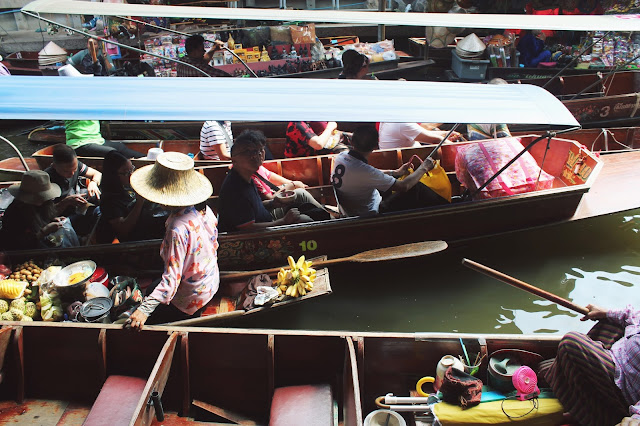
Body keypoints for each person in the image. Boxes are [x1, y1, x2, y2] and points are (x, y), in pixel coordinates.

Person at [127, 152, 219, 328]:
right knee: (152, 287)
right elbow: (214, 243)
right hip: (209, 281)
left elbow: (172, 279)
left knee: (149, 312)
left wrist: (144, 310)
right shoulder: (204, 208)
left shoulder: (177, 228)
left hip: (193, 297)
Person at [541, 304, 640, 426]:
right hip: (618, 353)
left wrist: (636, 418)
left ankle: (589, 413)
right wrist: (605, 312)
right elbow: (633, 317)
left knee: (570, 343)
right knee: (611, 322)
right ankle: (560, 374)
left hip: (621, 385)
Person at [331, 125, 445, 217]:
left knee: (399, 181)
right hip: (371, 212)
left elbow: (370, 175)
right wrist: (424, 167)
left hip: (353, 206)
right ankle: (444, 211)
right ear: (375, 147)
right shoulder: (364, 171)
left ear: (352, 142)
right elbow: (403, 186)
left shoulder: (341, 157)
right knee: (416, 188)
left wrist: (395, 172)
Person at [217, 130, 313, 232]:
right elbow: (247, 228)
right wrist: (283, 221)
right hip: (252, 239)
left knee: (307, 208)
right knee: (304, 220)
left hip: (265, 219)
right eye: (249, 151)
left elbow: (253, 207)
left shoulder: (246, 176)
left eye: (260, 150)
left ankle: (328, 216)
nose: (257, 155)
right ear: (234, 159)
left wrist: (272, 203)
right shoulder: (236, 189)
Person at [96, 151, 167, 243]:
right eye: (126, 173)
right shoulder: (109, 200)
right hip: (136, 237)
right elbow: (123, 230)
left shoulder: (129, 184)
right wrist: (139, 202)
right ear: (113, 175)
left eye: (132, 169)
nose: (131, 175)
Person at [0, 171, 79, 250]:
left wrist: (52, 220)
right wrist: (44, 232)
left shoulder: (44, 203)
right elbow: (14, 243)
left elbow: (47, 215)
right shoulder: (14, 213)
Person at [45, 144, 101, 216]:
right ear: (54, 166)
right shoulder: (47, 179)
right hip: (61, 212)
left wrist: (93, 183)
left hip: (75, 197)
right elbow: (48, 214)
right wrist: (66, 202)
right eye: (66, 171)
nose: (72, 174)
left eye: (74, 170)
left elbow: (97, 174)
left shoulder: (75, 165)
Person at [65, 120, 144, 159]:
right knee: (112, 153)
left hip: (97, 140)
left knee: (120, 147)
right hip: (80, 143)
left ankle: (147, 160)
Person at [284, 121, 349, 158]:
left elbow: (328, 134)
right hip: (298, 166)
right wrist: (330, 128)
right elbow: (318, 144)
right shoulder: (297, 124)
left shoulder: (317, 120)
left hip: (316, 159)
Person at [378, 122, 462, 150]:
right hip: (409, 166)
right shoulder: (402, 124)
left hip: (411, 159)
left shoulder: (393, 121)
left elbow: (423, 133)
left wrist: (445, 134)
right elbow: (437, 140)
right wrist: (463, 151)